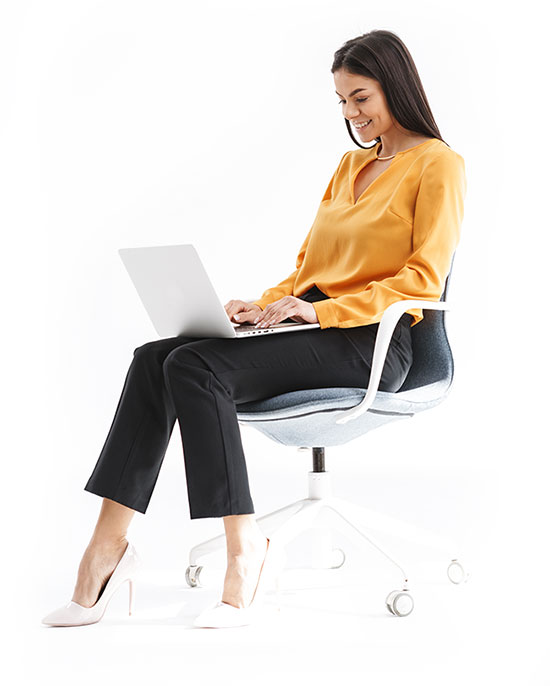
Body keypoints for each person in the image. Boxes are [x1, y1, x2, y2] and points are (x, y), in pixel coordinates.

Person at [42, 28, 466, 629]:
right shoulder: (351, 165)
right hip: (312, 330)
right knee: (154, 356)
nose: (351, 113)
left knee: (193, 366)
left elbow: (424, 279)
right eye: (342, 100)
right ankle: (106, 550)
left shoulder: (439, 164)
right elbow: (309, 270)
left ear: (395, 87)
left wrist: (318, 312)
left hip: (371, 342)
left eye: (361, 98)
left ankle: (246, 551)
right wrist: (263, 306)